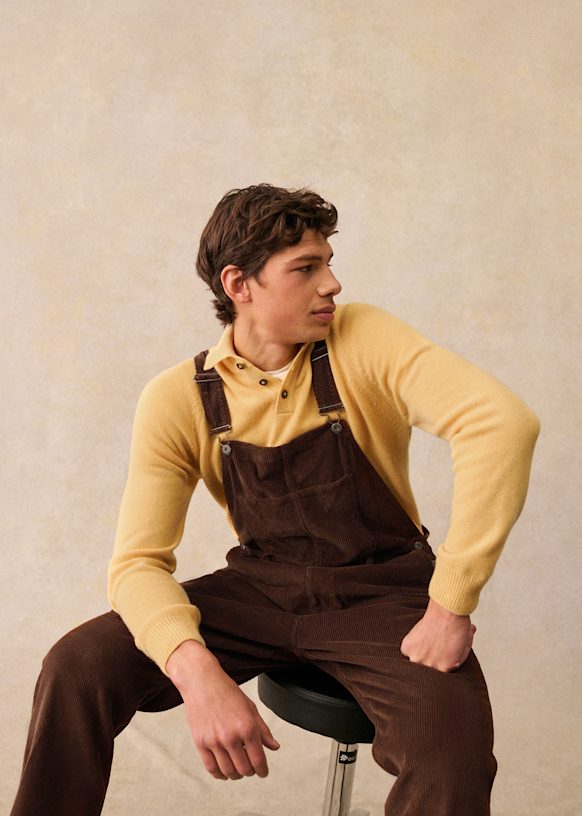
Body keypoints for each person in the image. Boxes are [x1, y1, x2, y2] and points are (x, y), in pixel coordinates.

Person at [11, 184, 540, 816]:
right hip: (261, 592)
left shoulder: (362, 339)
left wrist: (451, 604)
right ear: (239, 284)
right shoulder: (179, 397)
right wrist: (198, 673)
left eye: (329, 263)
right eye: (306, 268)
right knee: (78, 665)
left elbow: (501, 425)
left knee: (450, 753)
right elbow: (136, 565)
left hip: (383, 597)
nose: (332, 284)